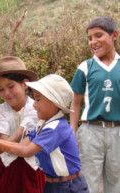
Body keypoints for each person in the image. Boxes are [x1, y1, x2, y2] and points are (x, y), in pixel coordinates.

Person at [0, 74, 89, 193]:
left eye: (38, 99)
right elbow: (22, 146)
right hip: (52, 184)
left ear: (54, 102)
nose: (34, 105)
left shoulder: (55, 128)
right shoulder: (41, 125)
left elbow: (27, 151)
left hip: (69, 186)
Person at [70, 16, 120, 193]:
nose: (93, 42)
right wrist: (73, 132)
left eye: (99, 36)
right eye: (90, 38)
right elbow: (75, 103)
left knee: (116, 182)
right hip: (91, 131)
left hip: (118, 132)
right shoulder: (85, 67)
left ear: (114, 35)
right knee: (88, 181)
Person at [0, 56, 45, 193]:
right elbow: (4, 141)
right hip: (6, 169)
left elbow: (24, 144)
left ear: (25, 84)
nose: (6, 93)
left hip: (32, 167)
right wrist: (0, 145)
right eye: (1, 89)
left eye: (11, 86)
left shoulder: (36, 108)